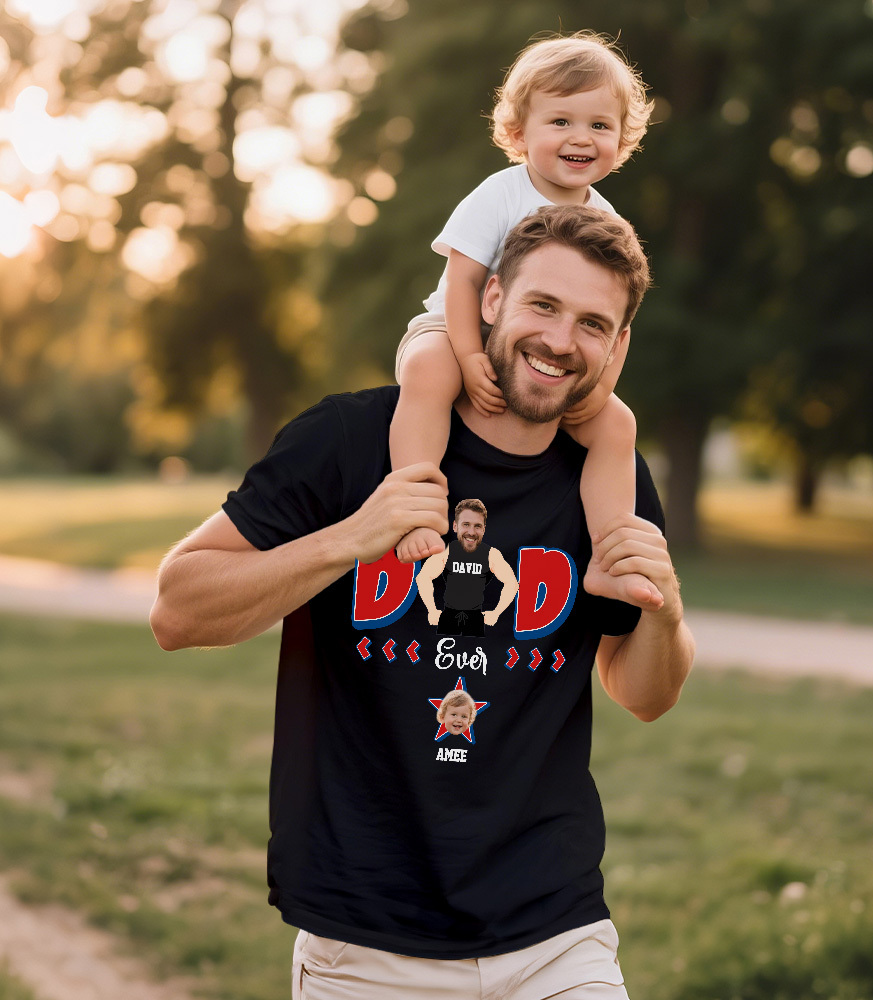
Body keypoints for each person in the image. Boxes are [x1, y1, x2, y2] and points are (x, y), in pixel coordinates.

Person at [150, 204, 695, 999]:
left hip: (556, 934)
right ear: (491, 298)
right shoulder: (349, 440)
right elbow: (177, 610)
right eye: (543, 305)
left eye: (592, 322)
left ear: (618, 346)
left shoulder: (608, 484)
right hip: (365, 945)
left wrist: (665, 612)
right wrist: (350, 538)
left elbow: (643, 693)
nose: (559, 340)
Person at [391, 32, 660, 613]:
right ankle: (412, 506)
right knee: (429, 373)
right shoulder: (498, 195)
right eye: (560, 121)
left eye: (599, 125)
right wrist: (469, 356)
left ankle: (611, 558)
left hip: (545, 360)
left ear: (622, 138)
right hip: (454, 329)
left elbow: (617, 318)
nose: (581, 138)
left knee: (617, 426)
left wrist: (601, 389)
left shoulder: (606, 221)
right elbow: (465, 284)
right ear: (519, 132)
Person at [416, 497, 519, 636]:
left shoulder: (491, 554)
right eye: (466, 524)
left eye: (477, 526)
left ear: (484, 529)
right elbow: (423, 577)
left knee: (476, 653)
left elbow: (512, 583)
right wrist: (432, 610)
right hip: (448, 617)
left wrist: (496, 613)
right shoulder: (446, 552)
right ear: (455, 526)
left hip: (476, 619)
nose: (471, 532)